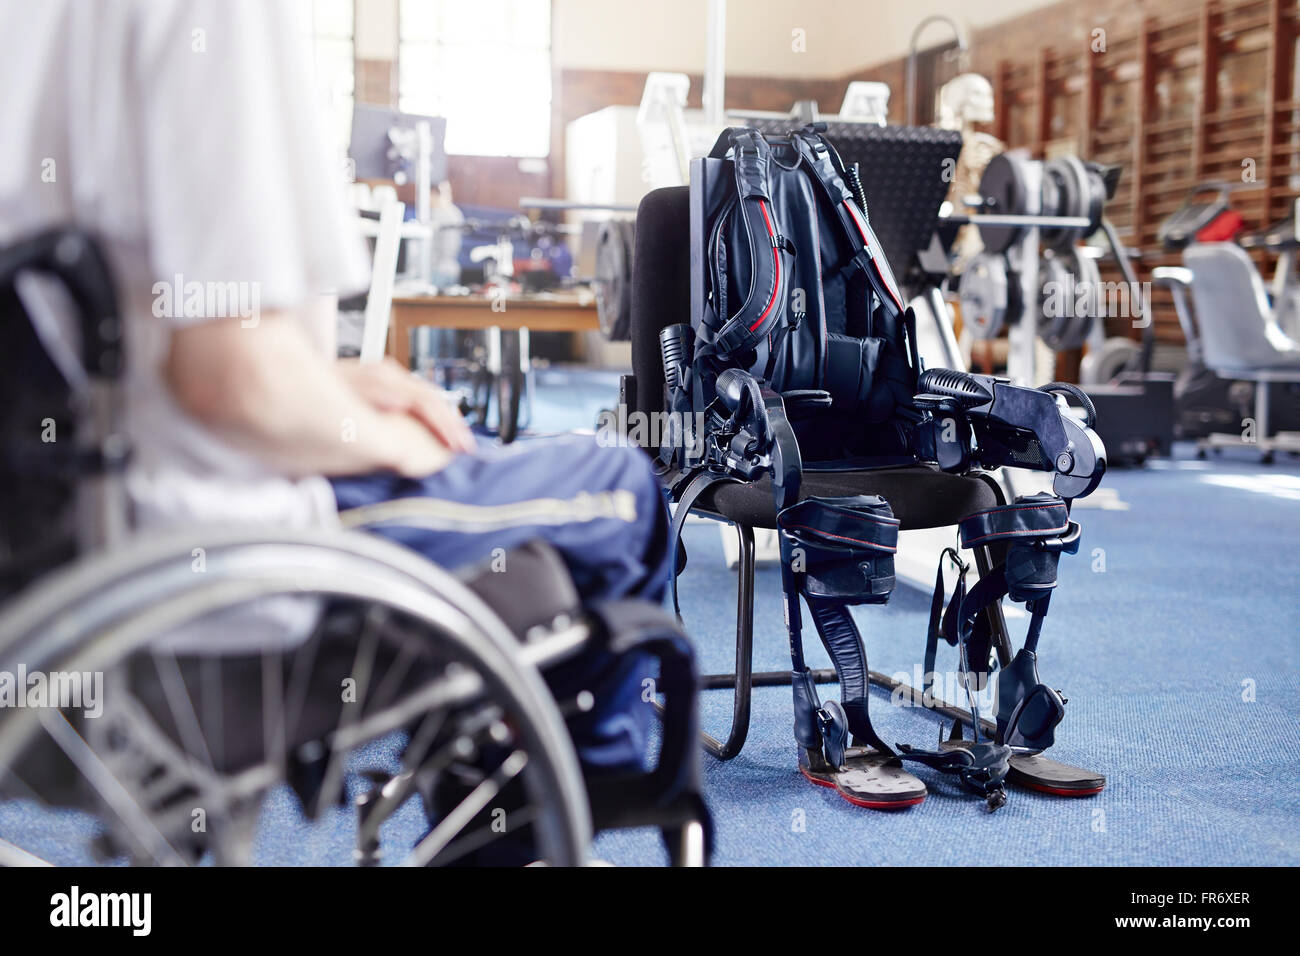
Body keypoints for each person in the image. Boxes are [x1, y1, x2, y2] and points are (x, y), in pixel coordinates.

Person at [0, 0, 668, 776]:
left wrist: (327, 382)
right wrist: (375, 433)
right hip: (193, 531)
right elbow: (228, 382)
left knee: (475, 468)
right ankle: (565, 826)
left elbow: (112, 330)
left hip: (46, 536)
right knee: (621, 483)